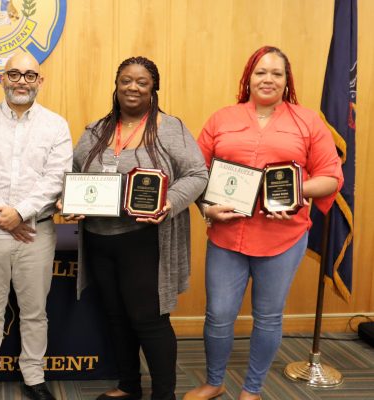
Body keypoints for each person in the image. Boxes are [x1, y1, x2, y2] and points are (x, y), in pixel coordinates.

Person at [183, 46, 343, 400]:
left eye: (277, 73)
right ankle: (214, 381)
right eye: (261, 72)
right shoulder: (222, 118)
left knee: (268, 317)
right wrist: (207, 208)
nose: (268, 79)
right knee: (219, 314)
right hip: (227, 236)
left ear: (287, 81)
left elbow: (331, 177)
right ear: (248, 78)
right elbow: (195, 174)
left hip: (282, 239)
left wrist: (296, 193)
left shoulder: (307, 121)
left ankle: (252, 389)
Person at [64, 56, 208, 400]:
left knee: (149, 318)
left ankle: (164, 394)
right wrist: (68, 201)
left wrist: (168, 203)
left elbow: (198, 174)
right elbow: (72, 172)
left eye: (142, 82)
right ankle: (129, 385)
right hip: (99, 238)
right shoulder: (96, 130)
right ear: (116, 85)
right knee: (115, 316)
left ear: (153, 89)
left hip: (144, 239)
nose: (133, 87)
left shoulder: (169, 128)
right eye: (126, 80)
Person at [0, 52, 73, 400]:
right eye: (14, 74)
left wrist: (20, 213)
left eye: (29, 75)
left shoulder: (56, 125)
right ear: (2, 79)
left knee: (35, 311)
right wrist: (5, 217)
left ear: (40, 81)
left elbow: (56, 178)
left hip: (35, 233)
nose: (21, 80)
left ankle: (34, 377)